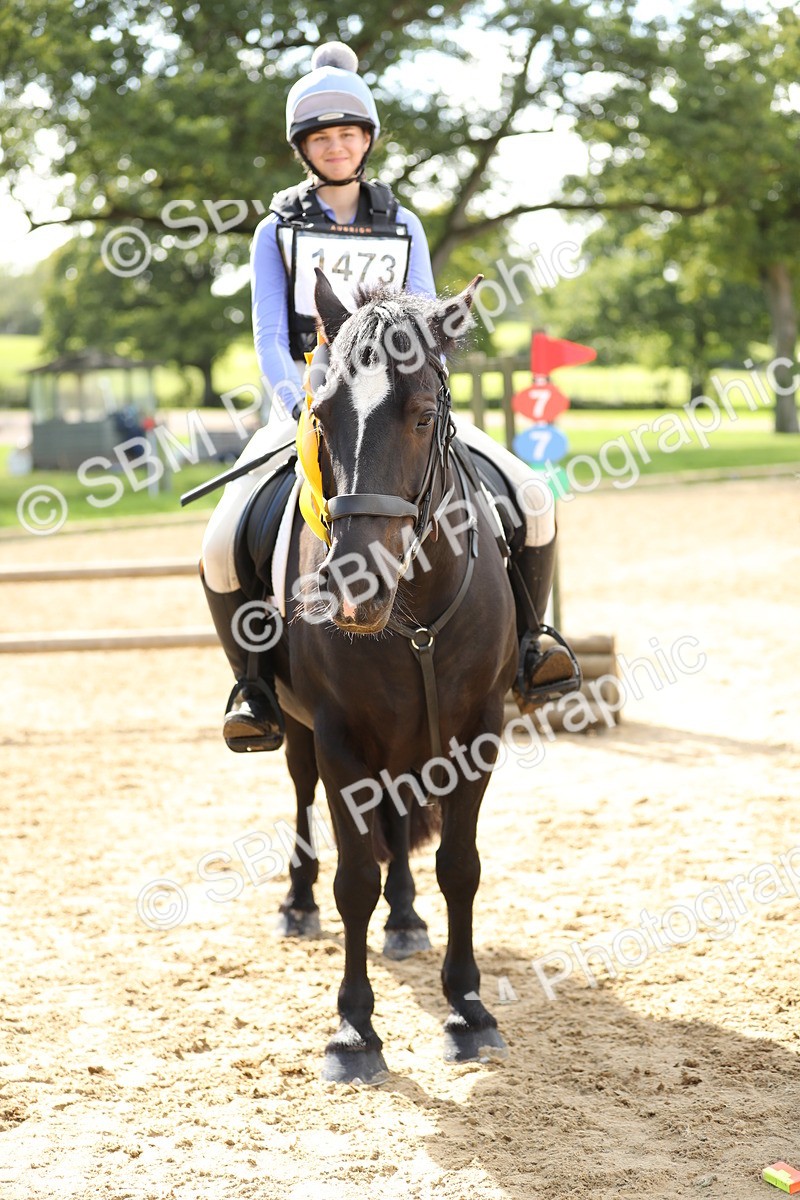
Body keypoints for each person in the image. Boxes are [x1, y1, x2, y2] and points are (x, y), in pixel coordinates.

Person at [200, 41, 580, 753]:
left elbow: (428, 320)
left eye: (348, 134)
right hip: (316, 404)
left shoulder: (402, 223)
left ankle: (533, 644)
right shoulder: (275, 229)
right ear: (303, 148)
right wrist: (304, 407)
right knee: (221, 539)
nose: (336, 147)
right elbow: (269, 335)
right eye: (322, 137)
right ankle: (254, 686)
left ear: (366, 140)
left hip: (401, 406)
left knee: (531, 495)